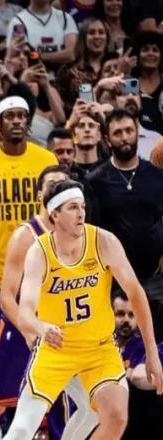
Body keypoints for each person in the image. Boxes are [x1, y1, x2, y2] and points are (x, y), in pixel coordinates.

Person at [2, 179, 163, 440]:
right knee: (21, 429)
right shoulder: (39, 252)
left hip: (99, 349)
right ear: (54, 214)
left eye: (82, 206)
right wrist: (41, 327)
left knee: (115, 416)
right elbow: (25, 311)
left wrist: (151, 352)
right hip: (56, 350)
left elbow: (136, 294)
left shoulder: (103, 242)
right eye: (72, 207)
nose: (81, 213)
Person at [0, 165, 98, 440]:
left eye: (63, 184)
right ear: (40, 195)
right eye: (52, 185)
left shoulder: (80, 234)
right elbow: (6, 297)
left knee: (80, 406)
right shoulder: (25, 235)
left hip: (61, 331)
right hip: (21, 332)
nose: (58, 190)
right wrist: (29, 330)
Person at [0, 95, 58, 341]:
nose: (16, 121)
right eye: (10, 116)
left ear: (28, 122)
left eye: (21, 116)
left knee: (46, 345)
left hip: (43, 270)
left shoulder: (47, 160)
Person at [87, 109, 163, 341]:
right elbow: (90, 229)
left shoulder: (156, 176)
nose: (124, 137)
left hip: (153, 277)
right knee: (115, 344)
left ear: (136, 132)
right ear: (107, 139)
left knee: (157, 342)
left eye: (129, 130)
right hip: (113, 280)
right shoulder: (95, 181)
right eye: (118, 133)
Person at [6, 0, 79, 74]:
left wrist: (37, 55)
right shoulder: (18, 21)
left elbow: (71, 54)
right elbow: (22, 56)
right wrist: (57, 55)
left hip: (62, 75)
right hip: (32, 74)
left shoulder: (66, 18)